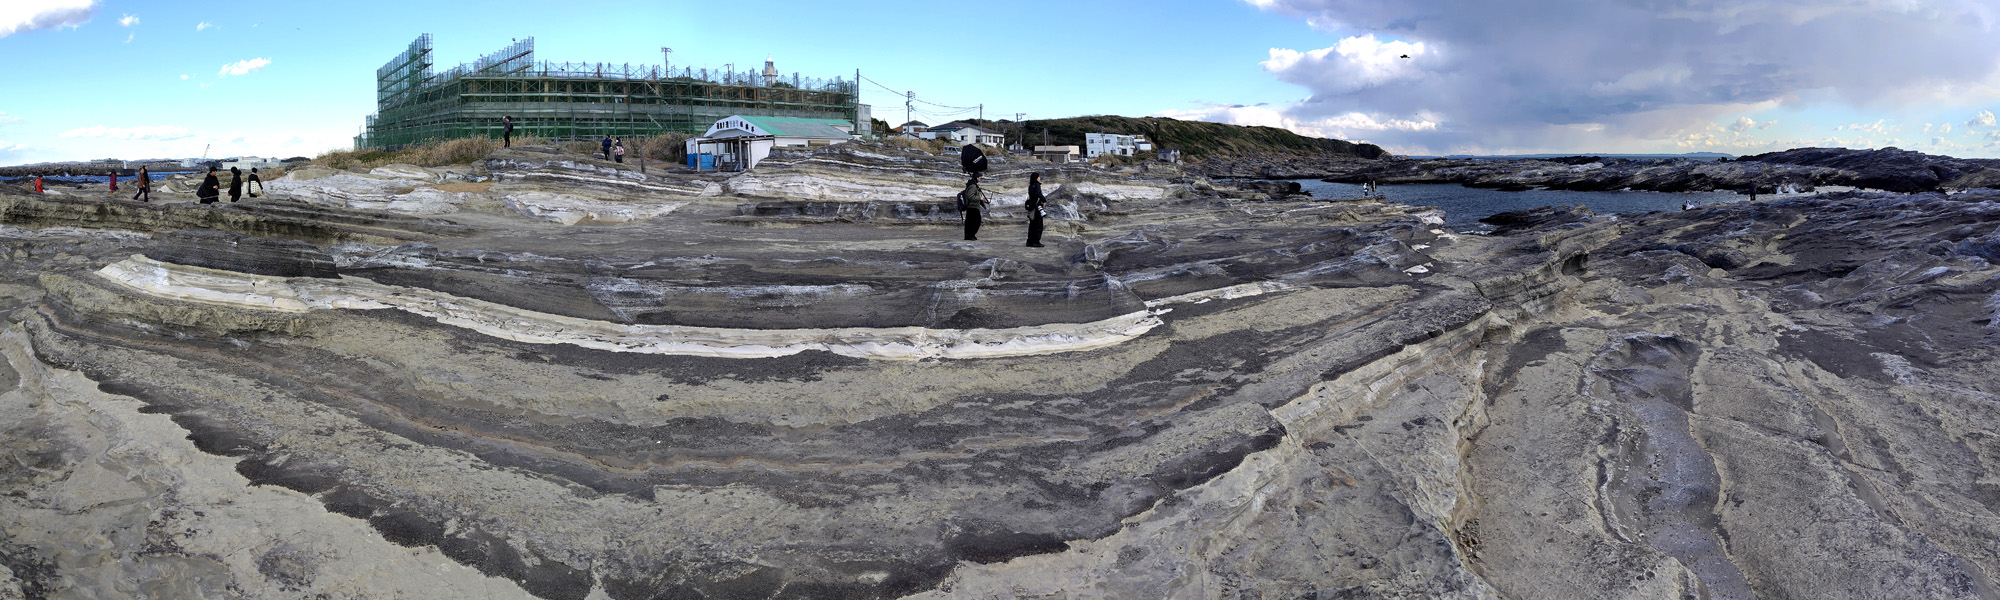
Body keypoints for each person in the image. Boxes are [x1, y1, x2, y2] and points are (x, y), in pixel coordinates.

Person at [960, 173, 987, 241]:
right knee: (975, 221)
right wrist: (979, 198)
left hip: (971, 206)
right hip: (973, 206)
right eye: (980, 178)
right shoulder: (973, 186)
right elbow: (970, 196)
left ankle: (969, 236)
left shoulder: (971, 185)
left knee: (970, 222)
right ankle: (971, 235)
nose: (980, 179)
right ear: (977, 178)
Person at [1024, 172, 1046, 247]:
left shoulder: (1030, 186)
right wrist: (1044, 200)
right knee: (1038, 225)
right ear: (1036, 178)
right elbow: (1038, 194)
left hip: (1032, 207)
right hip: (1037, 208)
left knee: (1032, 225)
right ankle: (1036, 242)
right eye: (1039, 177)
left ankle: (1029, 242)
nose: (1040, 178)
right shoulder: (1037, 185)